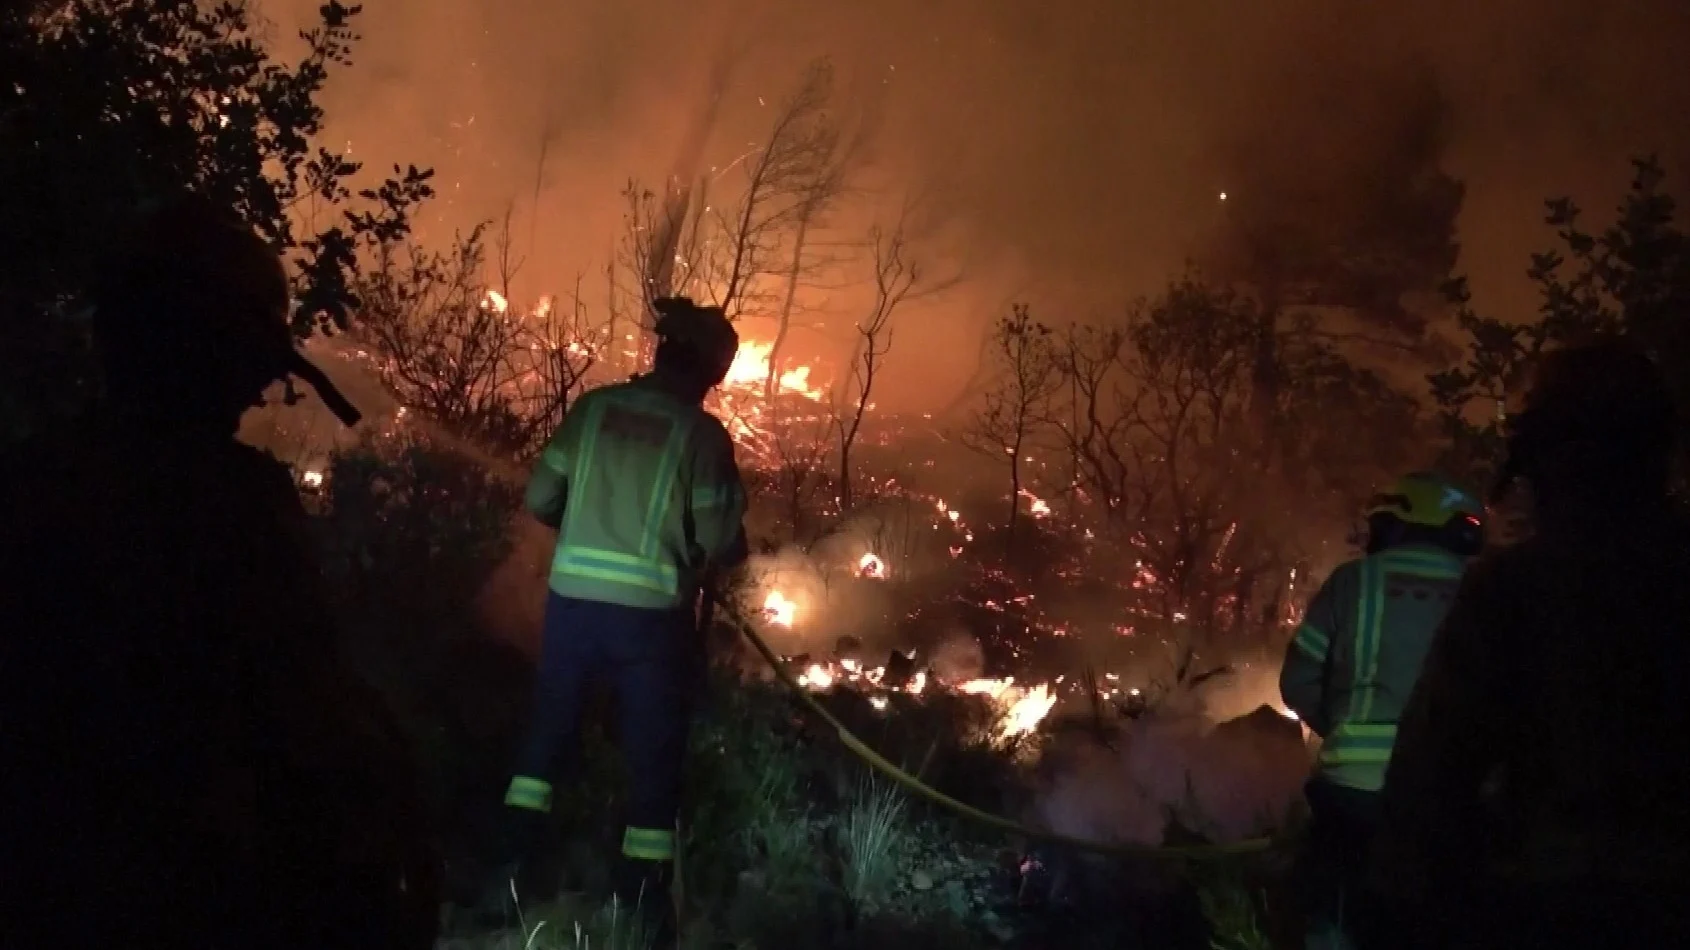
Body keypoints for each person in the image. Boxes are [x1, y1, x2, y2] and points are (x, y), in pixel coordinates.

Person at [0, 195, 437, 949]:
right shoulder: (235, 512)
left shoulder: (34, 480)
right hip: (168, 886)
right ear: (222, 355)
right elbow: (304, 723)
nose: (264, 390)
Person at [1371, 338, 1690, 949]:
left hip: (1556, 906)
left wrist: (1404, 907)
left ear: (1541, 460)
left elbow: (1433, 776)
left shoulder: (1513, 588)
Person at [495, 295, 750, 937]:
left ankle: (508, 874)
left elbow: (540, 497)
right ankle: (640, 904)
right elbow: (721, 541)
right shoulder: (700, 436)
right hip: (650, 622)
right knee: (652, 754)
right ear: (707, 374)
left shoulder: (594, 410)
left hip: (574, 608)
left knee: (546, 736)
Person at [1279, 472, 1486, 950]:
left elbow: (1298, 681)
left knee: (1337, 914)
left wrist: (1343, 727)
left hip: (1353, 792)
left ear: (1402, 521)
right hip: (1448, 789)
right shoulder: (1483, 588)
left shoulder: (1354, 582)